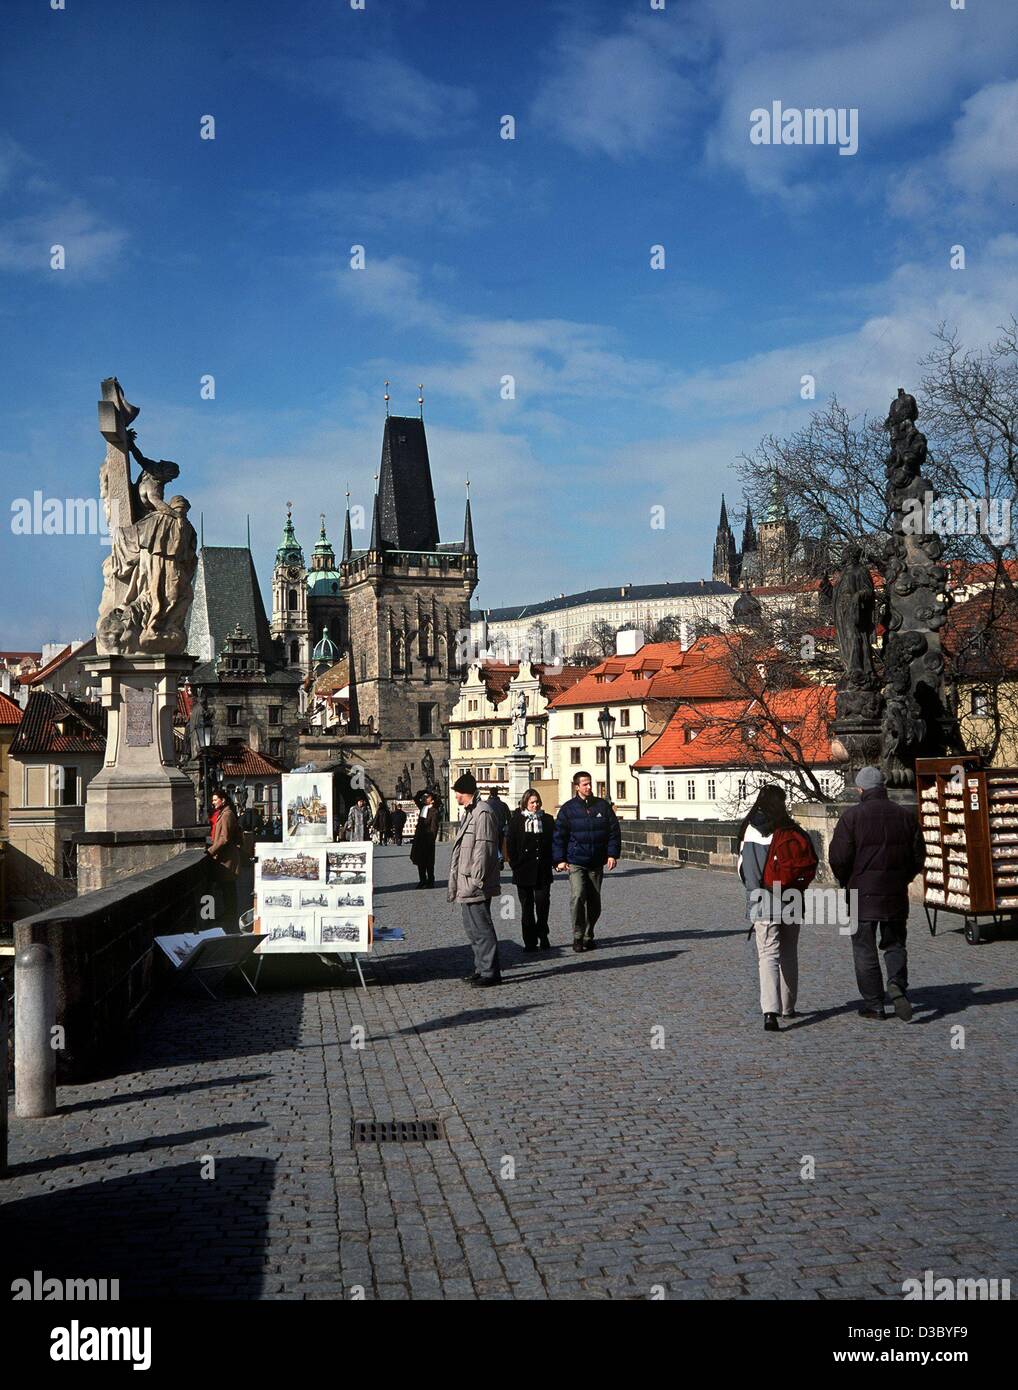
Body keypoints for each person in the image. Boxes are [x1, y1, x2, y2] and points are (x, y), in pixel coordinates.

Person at [829, 765, 925, 1021]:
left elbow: (838, 858)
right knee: (894, 944)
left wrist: (846, 879)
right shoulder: (905, 816)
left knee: (864, 947)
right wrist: (903, 879)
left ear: (860, 789)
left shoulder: (851, 818)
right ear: (883, 788)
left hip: (861, 894)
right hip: (894, 892)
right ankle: (896, 984)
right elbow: (918, 857)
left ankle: (874, 1003)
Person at [738, 784, 817, 1032]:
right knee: (789, 952)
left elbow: (746, 872)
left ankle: (770, 1012)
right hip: (792, 898)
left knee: (768, 955)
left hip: (763, 899)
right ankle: (788, 1007)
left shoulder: (750, 830)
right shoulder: (791, 828)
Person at [552, 770, 621, 952]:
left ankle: (589, 934)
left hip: (596, 860)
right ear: (577, 787)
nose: (589, 787)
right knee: (577, 896)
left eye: (590, 784)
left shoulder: (602, 806)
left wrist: (612, 854)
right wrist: (559, 859)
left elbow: (613, 831)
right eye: (585, 784)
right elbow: (559, 836)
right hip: (576, 860)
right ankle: (577, 935)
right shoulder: (568, 809)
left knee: (594, 901)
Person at [449, 772, 502, 986]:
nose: (455, 797)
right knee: (472, 929)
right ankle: (481, 968)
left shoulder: (483, 812)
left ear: (466, 793)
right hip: (467, 881)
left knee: (482, 927)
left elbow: (485, 847)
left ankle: (491, 972)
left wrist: (476, 879)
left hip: (475, 882)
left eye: (457, 793)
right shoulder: (471, 812)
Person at [506, 788, 555, 950]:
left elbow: (553, 843)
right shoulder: (516, 821)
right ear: (526, 803)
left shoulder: (547, 820)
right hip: (523, 870)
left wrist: (555, 861)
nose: (536, 805)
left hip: (542, 869)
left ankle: (542, 933)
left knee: (542, 904)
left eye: (537, 802)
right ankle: (530, 941)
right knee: (527, 907)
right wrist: (515, 864)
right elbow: (510, 845)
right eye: (532, 802)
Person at [207, 788, 242, 930]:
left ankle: (230, 915)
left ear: (223, 800)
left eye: (215, 800)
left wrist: (210, 851)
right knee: (227, 888)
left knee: (228, 888)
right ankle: (230, 913)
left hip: (227, 857)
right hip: (226, 856)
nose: (213, 803)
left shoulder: (227, 815)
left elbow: (224, 838)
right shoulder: (225, 813)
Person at [411, 790, 439, 888]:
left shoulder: (434, 811)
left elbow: (434, 827)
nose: (425, 798)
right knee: (420, 861)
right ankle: (422, 880)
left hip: (428, 839)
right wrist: (425, 791)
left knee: (429, 863)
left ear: (432, 801)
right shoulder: (423, 807)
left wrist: (431, 839)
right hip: (419, 839)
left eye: (428, 797)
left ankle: (430, 881)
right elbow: (416, 798)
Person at [485, 787, 511, 865]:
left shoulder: (486, 804)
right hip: (501, 828)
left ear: (490, 793)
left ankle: (498, 858)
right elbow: (509, 817)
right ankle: (499, 859)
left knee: (492, 844)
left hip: (490, 827)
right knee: (499, 844)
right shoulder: (503, 804)